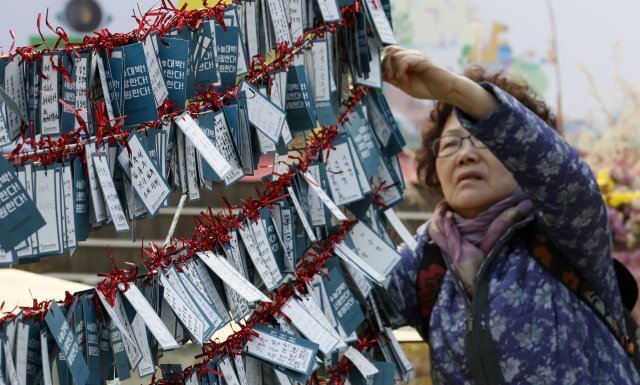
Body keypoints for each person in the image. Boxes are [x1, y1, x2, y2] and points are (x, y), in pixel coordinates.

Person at [382, 46, 640, 384]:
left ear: (519, 152)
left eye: (483, 141)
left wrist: (453, 89)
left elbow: (562, 175)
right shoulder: (423, 264)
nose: (466, 156)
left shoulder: (565, 231)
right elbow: (350, 302)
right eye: (451, 145)